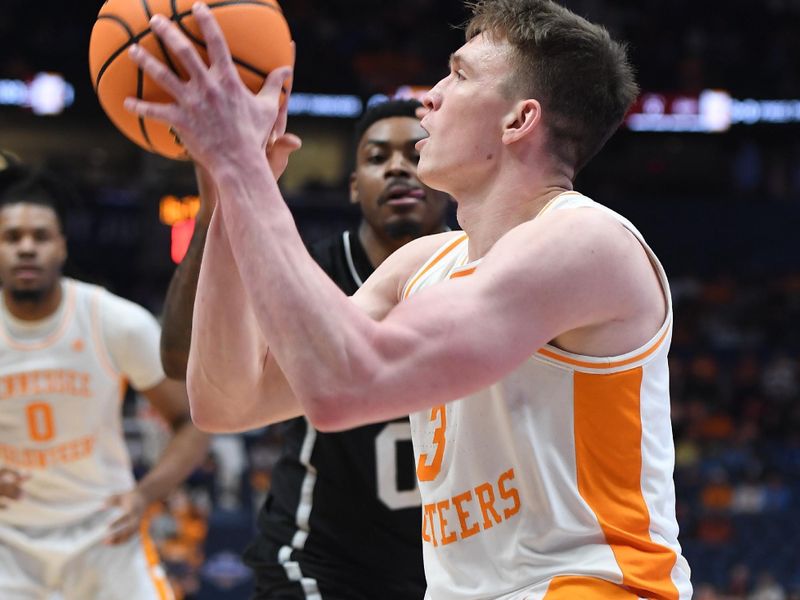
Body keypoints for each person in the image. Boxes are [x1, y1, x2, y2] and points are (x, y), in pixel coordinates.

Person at [126, 0, 694, 597]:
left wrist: (242, 167)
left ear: (519, 120)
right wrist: (230, 186)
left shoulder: (587, 242)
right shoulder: (422, 263)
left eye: (459, 74)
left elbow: (347, 383)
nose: (431, 97)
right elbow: (226, 400)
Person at [159, 98, 451, 598]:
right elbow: (184, 361)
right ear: (355, 185)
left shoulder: (478, 272)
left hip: (446, 564)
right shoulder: (308, 276)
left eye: (415, 152)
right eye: (378, 157)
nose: (399, 167)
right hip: (318, 559)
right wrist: (216, 201)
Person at [0, 173, 210, 599]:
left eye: (40, 236)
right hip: (9, 541)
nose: (26, 247)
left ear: (61, 245)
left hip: (106, 531)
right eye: (11, 236)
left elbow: (195, 423)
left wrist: (145, 495)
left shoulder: (113, 320)